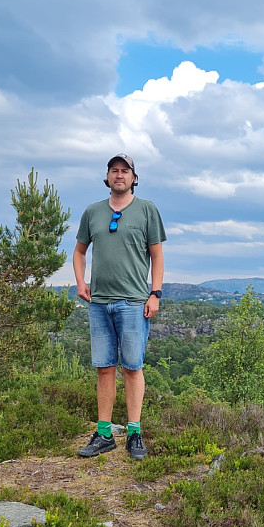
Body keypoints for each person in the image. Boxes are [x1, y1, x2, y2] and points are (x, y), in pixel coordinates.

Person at [73, 154, 166, 460]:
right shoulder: (93, 212)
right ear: (108, 176)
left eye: (125, 171)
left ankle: (135, 433)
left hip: (133, 301)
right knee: (103, 368)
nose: (119, 175)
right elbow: (79, 251)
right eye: (114, 170)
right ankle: (103, 434)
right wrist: (80, 282)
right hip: (99, 302)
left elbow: (157, 255)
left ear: (133, 177)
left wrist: (155, 294)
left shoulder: (147, 210)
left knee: (132, 367)